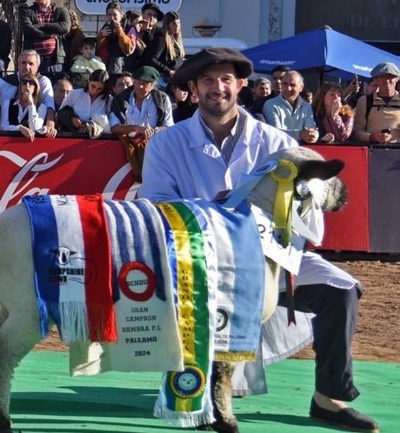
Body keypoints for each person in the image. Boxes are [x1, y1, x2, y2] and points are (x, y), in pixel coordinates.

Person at [140, 48, 376, 432]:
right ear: (194, 89)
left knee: (341, 289)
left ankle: (328, 398)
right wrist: (212, 211)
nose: (218, 87)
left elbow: (310, 215)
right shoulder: (166, 143)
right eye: (208, 80)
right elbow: (157, 208)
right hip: (197, 266)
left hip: (268, 261)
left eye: (226, 80)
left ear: (241, 86)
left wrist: (282, 210)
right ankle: (200, 390)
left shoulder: (276, 141)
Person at [18, 0, 70, 77]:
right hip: (34, 62)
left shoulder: (61, 11)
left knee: (54, 89)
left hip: (55, 62)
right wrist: (50, 34)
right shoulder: (28, 12)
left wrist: (42, 25)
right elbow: (28, 30)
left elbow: (65, 27)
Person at [109, 65, 174, 139]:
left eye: (145, 83)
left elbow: (168, 126)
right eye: (139, 81)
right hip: (126, 145)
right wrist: (136, 128)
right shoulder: (120, 98)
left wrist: (155, 131)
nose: (140, 86)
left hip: (153, 143)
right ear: (134, 81)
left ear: (153, 85)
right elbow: (114, 127)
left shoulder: (162, 99)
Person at [263, 70, 319, 144]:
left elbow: (310, 130)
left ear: (301, 87)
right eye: (285, 84)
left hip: (301, 151)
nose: (288, 88)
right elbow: (275, 133)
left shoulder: (307, 106)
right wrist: (300, 135)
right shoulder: (270, 104)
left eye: (292, 85)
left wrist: (314, 135)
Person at [351, 62, 399, 144]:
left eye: (390, 76)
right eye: (382, 76)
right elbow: (356, 133)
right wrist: (371, 137)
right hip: (373, 152)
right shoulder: (364, 101)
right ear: (375, 79)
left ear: (397, 79)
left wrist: (393, 134)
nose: (387, 80)